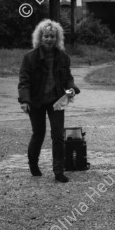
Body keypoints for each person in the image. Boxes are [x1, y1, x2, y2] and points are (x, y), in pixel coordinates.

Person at [18, 19, 80, 183]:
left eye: (52, 36)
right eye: (46, 36)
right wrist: (24, 101)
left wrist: (71, 89)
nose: (49, 39)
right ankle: (33, 164)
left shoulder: (63, 57)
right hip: (36, 101)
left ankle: (58, 171)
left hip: (56, 101)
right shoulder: (29, 57)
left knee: (58, 135)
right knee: (38, 134)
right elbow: (24, 82)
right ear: (40, 37)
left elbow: (68, 79)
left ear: (57, 38)